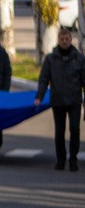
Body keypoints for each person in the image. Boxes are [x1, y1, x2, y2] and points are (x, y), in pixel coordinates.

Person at [35, 28, 85, 171]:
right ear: (58, 40)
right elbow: (44, 79)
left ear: (71, 40)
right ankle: (61, 159)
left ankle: (73, 159)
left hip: (74, 100)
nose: (64, 42)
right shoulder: (51, 59)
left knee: (75, 129)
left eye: (67, 39)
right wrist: (39, 96)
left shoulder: (79, 59)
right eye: (62, 39)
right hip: (58, 100)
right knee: (59, 131)